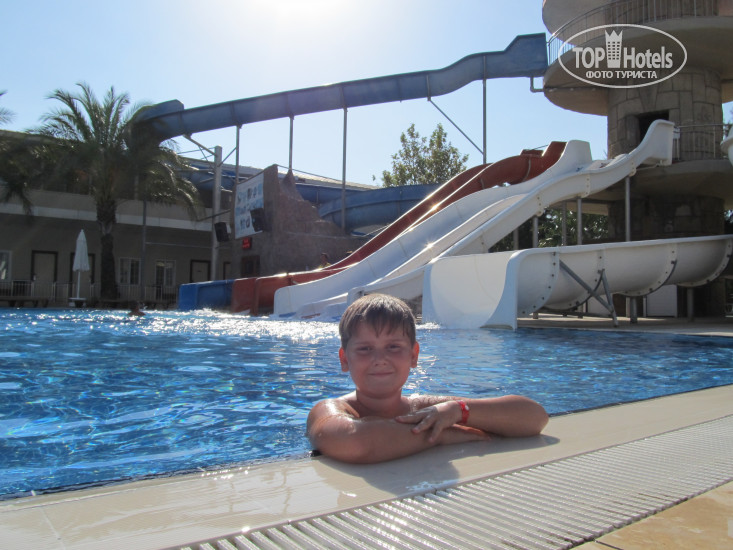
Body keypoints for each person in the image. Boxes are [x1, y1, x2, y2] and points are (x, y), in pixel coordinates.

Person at [307, 294, 549, 464]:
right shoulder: (330, 409)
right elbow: (356, 442)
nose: (379, 359)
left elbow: (535, 417)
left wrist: (459, 411)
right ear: (344, 359)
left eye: (393, 347)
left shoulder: (424, 407)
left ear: (414, 356)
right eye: (365, 349)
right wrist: (438, 434)